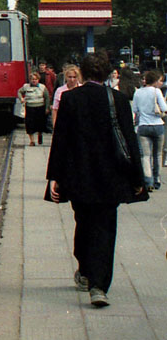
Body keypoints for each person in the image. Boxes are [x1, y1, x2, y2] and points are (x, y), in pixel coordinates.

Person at [46, 52, 147, 308]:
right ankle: (99, 285)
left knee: (83, 222)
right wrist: (137, 178)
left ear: (83, 73)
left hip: (79, 175)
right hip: (110, 176)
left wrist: (55, 177)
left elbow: (61, 140)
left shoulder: (70, 99)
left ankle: (84, 269)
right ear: (107, 73)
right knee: (105, 228)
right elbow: (130, 141)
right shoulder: (119, 100)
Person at [131, 70, 166, 190]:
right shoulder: (157, 92)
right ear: (155, 80)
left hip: (143, 126)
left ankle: (148, 180)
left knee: (146, 156)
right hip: (158, 125)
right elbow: (164, 108)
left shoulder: (138, 92)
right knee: (158, 154)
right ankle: (157, 179)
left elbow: (135, 110)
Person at [18, 71, 50, 146]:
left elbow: (47, 97)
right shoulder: (26, 86)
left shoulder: (42, 87)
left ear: (38, 80)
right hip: (30, 107)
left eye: (35, 79)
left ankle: (40, 134)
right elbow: (19, 92)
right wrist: (21, 98)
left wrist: (47, 108)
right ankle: (32, 141)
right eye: (32, 79)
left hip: (40, 107)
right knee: (29, 124)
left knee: (40, 124)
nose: (34, 81)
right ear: (30, 80)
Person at [52, 64, 83, 129]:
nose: (72, 80)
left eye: (74, 77)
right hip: (64, 123)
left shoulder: (82, 88)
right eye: (70, 77)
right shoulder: (59, 90)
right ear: (66, 77)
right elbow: (55, 109)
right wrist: (54, 125)